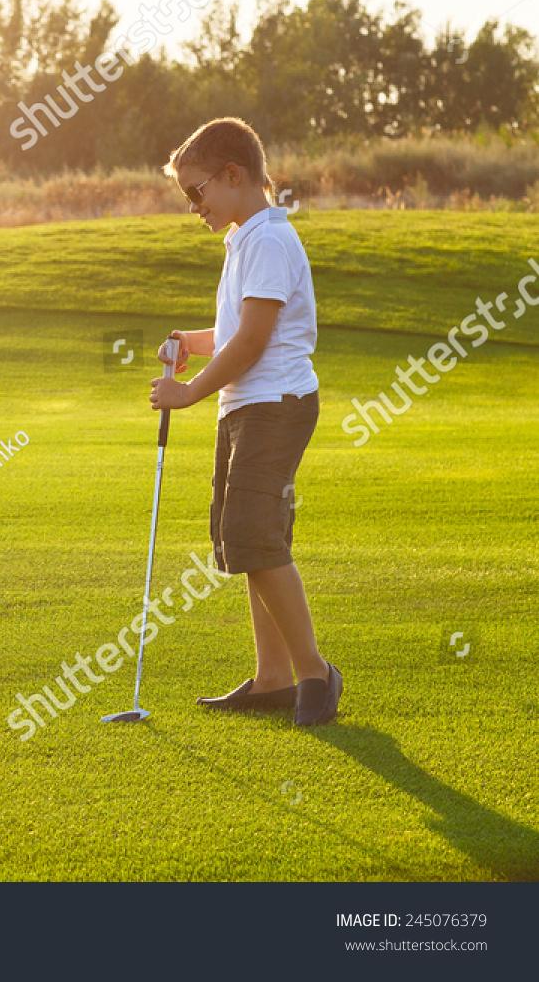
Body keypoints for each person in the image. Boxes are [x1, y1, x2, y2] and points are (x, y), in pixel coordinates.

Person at [149, 118, 342, 727]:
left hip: (275, 403)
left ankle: (314, 673)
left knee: (256, 535)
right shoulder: (244, 240)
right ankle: (272, 679)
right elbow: (235, 332)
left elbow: (257, 341)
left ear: (233, 175)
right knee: (241, 539)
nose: (193, 207)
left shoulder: (268, 240)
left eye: (196, 191)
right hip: (247, 406)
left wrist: (189, 393)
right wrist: (191, 341)